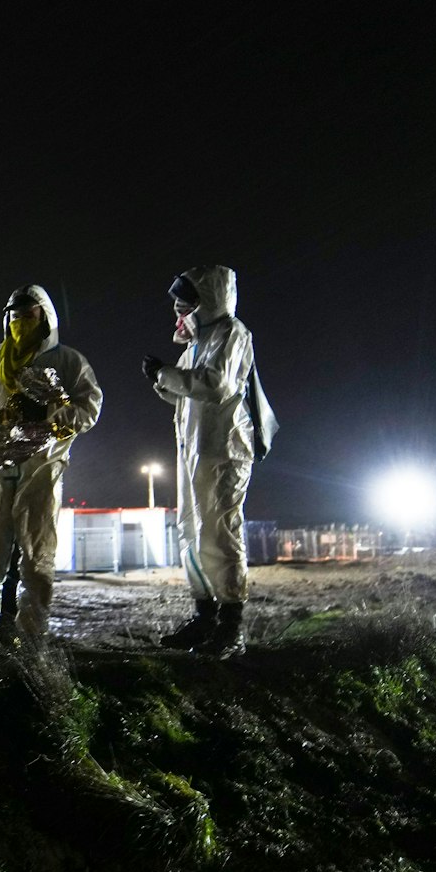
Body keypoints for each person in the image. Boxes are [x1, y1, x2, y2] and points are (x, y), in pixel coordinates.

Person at [0, 285, 102, 647]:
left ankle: (32, 631)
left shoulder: (68, 362)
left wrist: (51, 413)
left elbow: (89, 409)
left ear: (46, 318)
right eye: (14, 316)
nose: (20, 323)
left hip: (41, 466)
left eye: (28, 316)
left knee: (37, 553)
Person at [147, 266, 277, 656]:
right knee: (192, 531)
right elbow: (185, 394)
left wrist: (167, 374)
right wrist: (161, 379)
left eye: (185, 301)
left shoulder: (232, 333)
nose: (179, 308)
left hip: (225, 449)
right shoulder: (195, 343)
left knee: (220, 531)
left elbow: (217, 385)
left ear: (207, 299)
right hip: (195, 449)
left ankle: (231, 624)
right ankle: (205, 617)